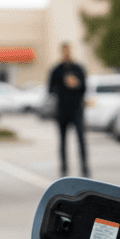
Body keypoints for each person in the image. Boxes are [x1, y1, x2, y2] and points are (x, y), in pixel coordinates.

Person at [47, 43, 89, 177]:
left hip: (77, 110)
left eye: (68, 50)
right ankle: (64, 169)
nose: (67, 53)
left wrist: (76, 84)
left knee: (81, 140)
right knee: (63, 141)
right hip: (62, 110)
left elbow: (84, 89)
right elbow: (50, 89)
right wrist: (63, 86)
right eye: (64, 51)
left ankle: (85, 168)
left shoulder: (78, 68)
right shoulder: (57, 70)